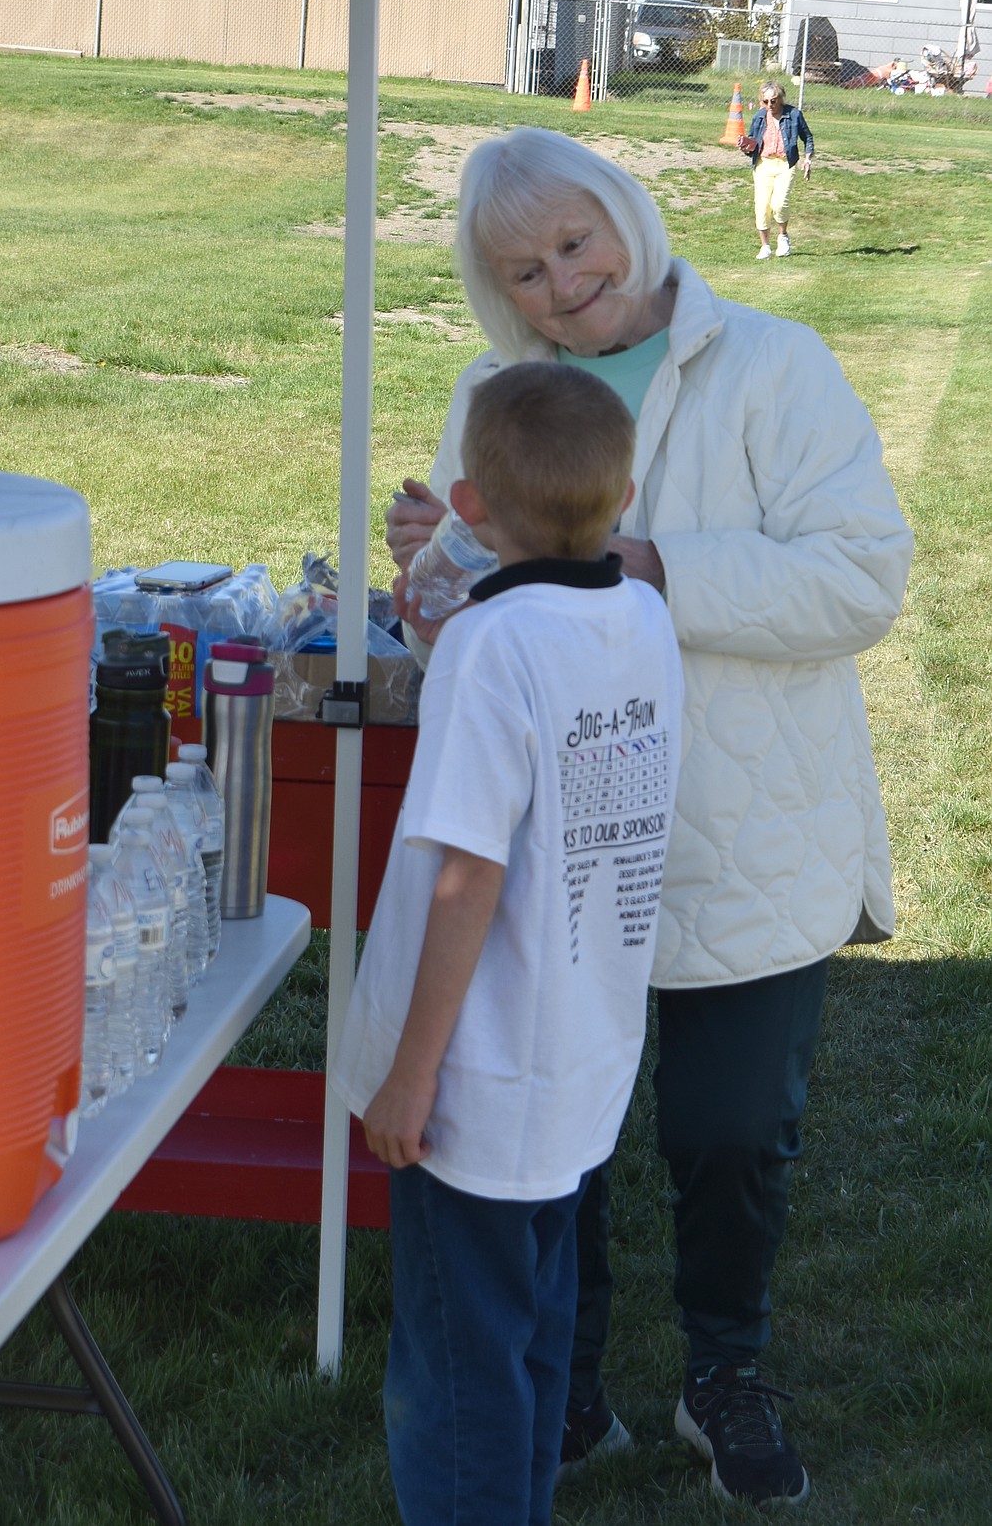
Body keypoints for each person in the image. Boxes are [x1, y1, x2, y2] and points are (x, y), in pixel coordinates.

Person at [385, 126, 914, 1507]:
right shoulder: (492, 392)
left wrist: (647, 565)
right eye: (525, 266)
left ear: (626, 216)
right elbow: (468, 629)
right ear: (495, 288)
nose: (563, 282)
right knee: (563, 1127)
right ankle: (569, 1383)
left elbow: (859, 579)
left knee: (732, 1128)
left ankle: (721, 1368)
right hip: (560, 848)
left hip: (748, 827)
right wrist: (425, 579)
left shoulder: (770, 366)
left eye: (577, 241)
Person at [330, 360, 684, 1526]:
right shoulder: (638, 614)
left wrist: (411, 1075)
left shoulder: (490, 648)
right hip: (578, 1067)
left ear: (467, 504)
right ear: (623, 494)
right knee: (527, 1356)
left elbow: (466, 877)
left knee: (457, 1383)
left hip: (474, 1092)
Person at [738, 81, 814, 258]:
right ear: (760, 102)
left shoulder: (794, 115)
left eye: (773, 101)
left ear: (781, 99)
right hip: (763, 164)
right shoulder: (759, 116)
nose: (770, 105)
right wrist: (747, 146)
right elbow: (753, 140)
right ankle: (765, 246)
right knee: (762, 206)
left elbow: (807, 137)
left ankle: (783, 236)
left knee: (779, 204)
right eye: (765, 102)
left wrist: (808, 159)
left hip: (786, 164)